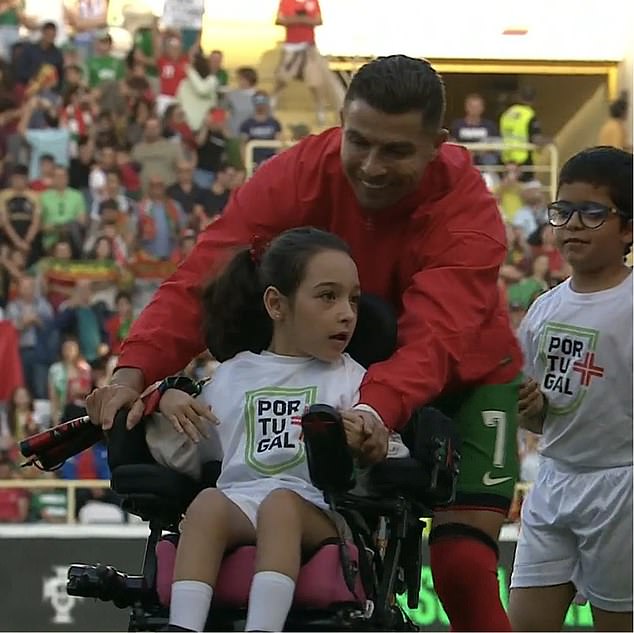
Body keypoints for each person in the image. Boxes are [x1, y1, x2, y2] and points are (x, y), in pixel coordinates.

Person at [87, 55, 523, 631]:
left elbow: (434, 340)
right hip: (341, 369)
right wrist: (134, 373)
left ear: (438, 143)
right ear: (341, 119)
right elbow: (203, 278)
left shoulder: (468, 211)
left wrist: (373, 411)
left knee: (463, 566)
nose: (370, 166)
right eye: (359, 141)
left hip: (464, 374)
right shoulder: (295, 174)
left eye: (396, 151)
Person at [153, 227, 386, 631]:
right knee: (207, 503)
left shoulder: (352, 379)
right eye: (328, 297)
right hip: (242, 502)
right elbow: (190, 453)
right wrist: (165, 398)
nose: (347, 313)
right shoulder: (232, 375)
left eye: (353, 299)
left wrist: (369, 439)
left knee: (280, 505)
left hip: (321, 509)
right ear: (277, 304)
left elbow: (385, 444)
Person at [509, 147, 633, 632]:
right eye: (564, 211)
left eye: (594, 212)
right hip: (554, 484)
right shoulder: (543, 310)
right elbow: (537, 416)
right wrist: (529, 408)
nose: (574, 224)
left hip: (620, 487)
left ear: (627, 228)